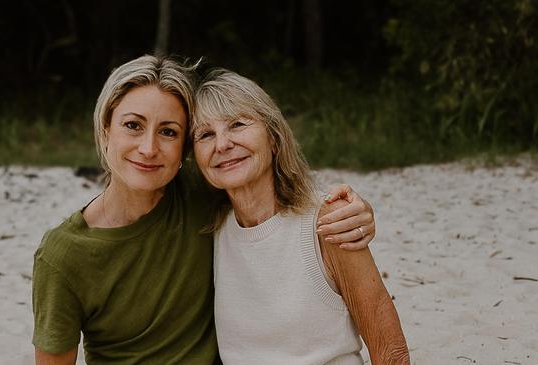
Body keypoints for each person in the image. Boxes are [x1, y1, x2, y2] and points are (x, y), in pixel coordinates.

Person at [32, 55, 377, 365]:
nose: (149, 148)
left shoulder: (203, 194)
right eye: (133, 125)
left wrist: (355, 210)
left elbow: (267, 180)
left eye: (168, 132)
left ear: (183, 150)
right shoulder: (63, 256)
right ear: (106, 130)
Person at [192, 69, 409, 365]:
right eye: (205, 134)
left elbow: (389, 349)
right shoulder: (208, 231)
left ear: (274, 139)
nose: (222, 144)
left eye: (237, 124)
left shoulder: (329, 221)